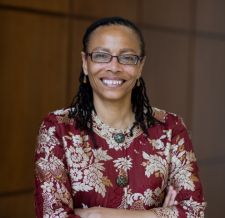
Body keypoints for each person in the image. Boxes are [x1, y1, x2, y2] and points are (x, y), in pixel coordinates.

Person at [34, 17, 206, 218]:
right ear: (85, 62)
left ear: (140, 66)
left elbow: (193, 211)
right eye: (101, 55)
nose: (114, 67)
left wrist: (98, 215)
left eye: (126, 58)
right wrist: (159, 215)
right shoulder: (58, 128)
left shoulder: (170, 127)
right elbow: (53, 215)